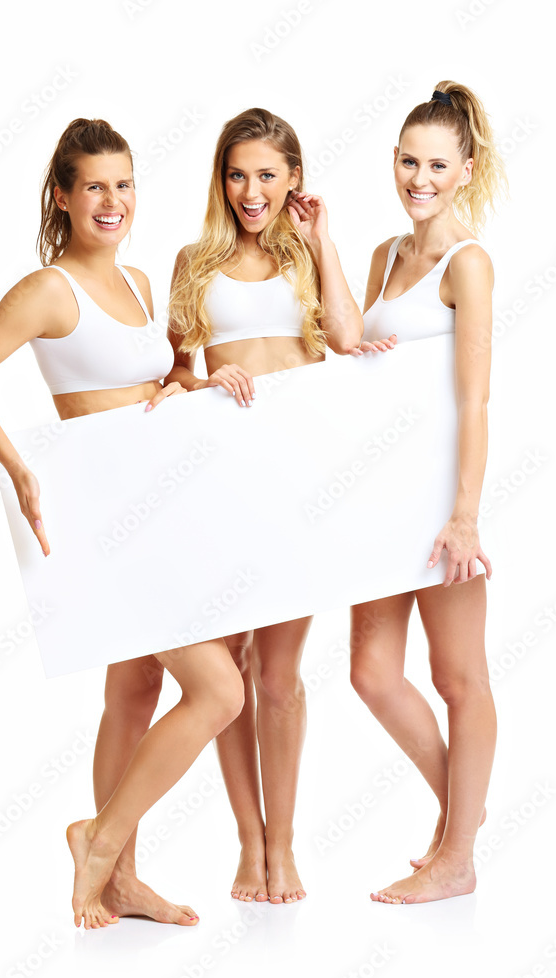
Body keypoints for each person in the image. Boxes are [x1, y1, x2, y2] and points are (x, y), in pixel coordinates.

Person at [0, 117, 245, 929]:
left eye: (124, 184)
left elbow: (155, 379)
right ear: (64, 198)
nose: (113, 200)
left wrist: (188, 385)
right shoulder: (48, 290)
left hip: (164, 510)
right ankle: (98, 840)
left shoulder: (139, 281)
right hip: (111, 522)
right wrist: (18, 465)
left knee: (136, 690)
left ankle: (122, 881)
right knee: (220, 690)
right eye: (95, 186)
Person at [168, 106, 363, 903]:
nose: (251, 192)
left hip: (298, 478)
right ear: (221, 180)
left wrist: (322, 241)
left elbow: (346, 341)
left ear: (294, 180)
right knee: (230, 673)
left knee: (277, 674)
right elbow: (172, 374)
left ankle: (281, 847)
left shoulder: (304, 255)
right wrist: (203, 377)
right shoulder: (194, 261)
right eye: (237, 175)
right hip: (218, 481)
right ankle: (248, 846)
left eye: (267, 176)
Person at [349, 82, 508, 904]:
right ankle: (461, 824)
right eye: (408, 162)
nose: (419, 178)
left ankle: (456, 857)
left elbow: (473, 400)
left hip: (443, 505)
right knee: (371, 674)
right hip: (380, 501)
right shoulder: (384, 255)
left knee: (458, 679)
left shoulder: (466, 264)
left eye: (437, 166)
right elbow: (349, 358)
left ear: (464, 170)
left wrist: (464, 517)